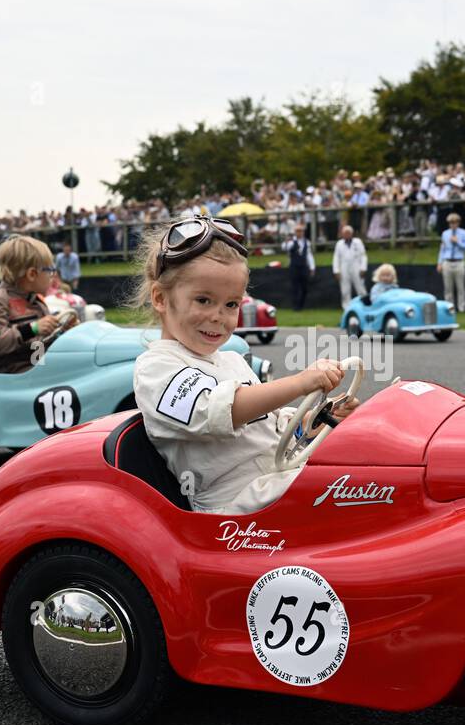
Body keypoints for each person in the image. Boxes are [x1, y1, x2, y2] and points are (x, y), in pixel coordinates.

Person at [130, 216, 359, 514]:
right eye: (203, 300)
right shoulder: (157, 368)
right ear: (161, 299)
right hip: (236, 507)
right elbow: (220, 411)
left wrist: (315, 420)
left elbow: (270, 428)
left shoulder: (232, 361)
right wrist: (303, 381)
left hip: (275, 479)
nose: (218, 316)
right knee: (358, 486)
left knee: (370, 463)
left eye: (231, 305)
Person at [0, 234, 77, 374]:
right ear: (32, 274)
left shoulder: (37, 301)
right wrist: (32, 329)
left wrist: (62, 331)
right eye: (49, 270)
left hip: (40, 369)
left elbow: (42, 344)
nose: (53, 276)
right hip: (18, 377)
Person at [437, 212, 465, 311]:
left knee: (460, 287)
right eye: (451, 222)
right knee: (448, 288)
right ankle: (449, 308)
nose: (453, 224)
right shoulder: (445, 234)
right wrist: (439, 263)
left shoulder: (463, 233)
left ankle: (462, 308)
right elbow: (442, 250)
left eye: (454, 222)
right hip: (447, 262)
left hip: (459, 261)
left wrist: (458, 242)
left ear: (458, 223)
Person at [281, 222, 316, 310]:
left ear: (303, 232)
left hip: (303, 267)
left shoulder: (307, 242)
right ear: (295, 232)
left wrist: (312, 267)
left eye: (301, 231)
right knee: (295, 287)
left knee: (305, 287)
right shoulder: (292, 241)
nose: (299, 233)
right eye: (297, 231)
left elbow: (309, 255)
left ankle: (301, 304)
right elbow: (284, 248)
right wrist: (287, 241)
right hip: (294, 267)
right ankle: (296, 306)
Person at [332, 224, 368, 306]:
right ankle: (346, 307)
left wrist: (363, 268)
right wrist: (336, 271)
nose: (346, 235)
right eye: (345, 233)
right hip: (344, 266)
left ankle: (365, 304)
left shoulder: (358, 242)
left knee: (360, 287)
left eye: (348, 233)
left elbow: (363, 256)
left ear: (352, 234)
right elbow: (336, 258)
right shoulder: (339, 244)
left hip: (356, 265)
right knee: (345, 289)